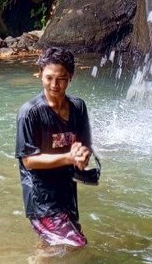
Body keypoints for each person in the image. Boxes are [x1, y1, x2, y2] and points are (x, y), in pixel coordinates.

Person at [16, 47, 95, 247]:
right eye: (49, 77)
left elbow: (85, 146)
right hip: (40, 194)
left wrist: (82, 155)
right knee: (76, 244)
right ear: (40, 74)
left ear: (71, 77)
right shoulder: (30, 113)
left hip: (67, 190)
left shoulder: (78, 107)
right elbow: (29, 160)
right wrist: (69, 157)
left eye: (61, 79)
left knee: (57, 245)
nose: (54, 85)